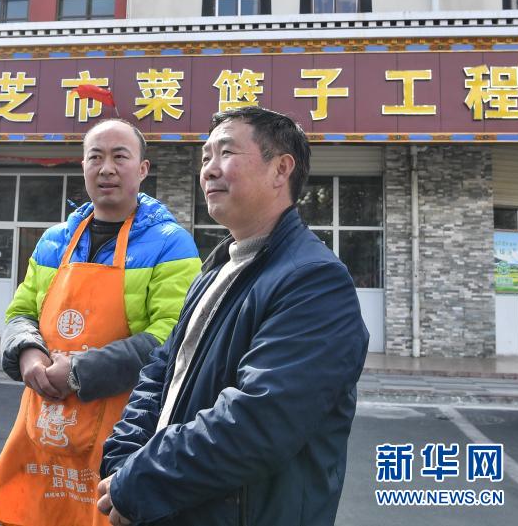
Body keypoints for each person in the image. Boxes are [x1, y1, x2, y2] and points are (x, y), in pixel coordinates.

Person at [98, 107, 369, 526]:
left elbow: (259, 421)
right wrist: (123, 459)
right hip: (171, 505)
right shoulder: (217, 268)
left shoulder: (315, 281)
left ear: (281, 169)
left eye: (225, 153)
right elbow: (162, 371)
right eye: (205, 157)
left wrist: (143, 480)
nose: (208, 170)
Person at [0, 118, 201, 526]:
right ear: (82, 166)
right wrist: (27, 352)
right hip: (46, 431)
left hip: (125, 433)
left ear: (143, 169)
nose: (107, 169)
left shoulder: (171, 244)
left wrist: (80, 371)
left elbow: (173, 338)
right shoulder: (54, 240)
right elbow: (21, 312)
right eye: (95, 157)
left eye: (120, 157)